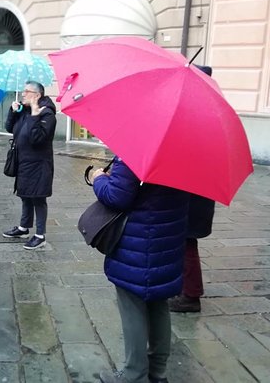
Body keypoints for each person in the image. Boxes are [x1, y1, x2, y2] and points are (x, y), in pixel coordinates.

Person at [91, 158, 190, 383]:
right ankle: (157, 371)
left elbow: (117, 196)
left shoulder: (139, 150)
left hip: (140, 242)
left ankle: (134, 374)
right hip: (168, 239)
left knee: (131, 304)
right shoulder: (184, 154)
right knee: (158, 304)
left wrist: (99, 180)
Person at [169, 66, 216, 314]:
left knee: (186, 244)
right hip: (196, 194)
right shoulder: (207, 113)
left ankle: (191, 295)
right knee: (183, 243)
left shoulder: (196, 116)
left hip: (192, 196)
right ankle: (183, 289)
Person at [2, 80, 56, 250]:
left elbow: (37, 139)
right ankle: (23, 228)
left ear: (37, 95)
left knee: (38, 198)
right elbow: (10, 128)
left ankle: (40, 236)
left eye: (27, 91)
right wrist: (13, 111)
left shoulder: (47, 114)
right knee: (25, 194)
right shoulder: (23, 110)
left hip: (39, 164)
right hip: (23, 161)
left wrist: (34, 115)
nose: (23, 94)